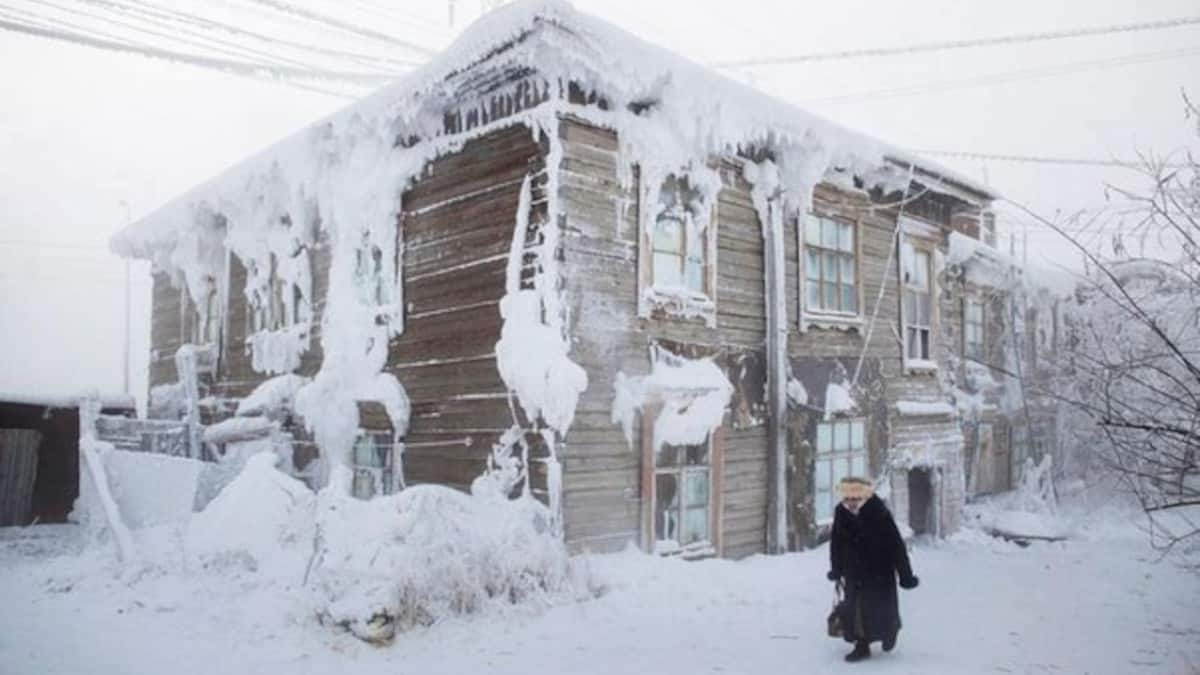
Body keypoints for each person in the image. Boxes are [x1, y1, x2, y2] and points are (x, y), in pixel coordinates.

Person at [826, 476, 919, 662]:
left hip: (879, 570)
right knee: (856, 609)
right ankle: (862, 646)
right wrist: (836, 569)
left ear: (864, 497)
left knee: (881, 608)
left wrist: (905, 575)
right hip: (853, 570)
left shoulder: (879, 512)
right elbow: (836, 543)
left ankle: (890, 631)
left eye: (855, 499)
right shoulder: (841, 512)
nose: (851, 503)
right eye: (847, 499)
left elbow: (896, 545)